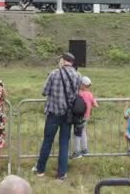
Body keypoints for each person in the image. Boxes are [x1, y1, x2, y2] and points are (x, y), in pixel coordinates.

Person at [32, 52, 82, 180]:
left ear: (63, 60)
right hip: (68, 115)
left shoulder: (54, 73)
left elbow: (45, 91)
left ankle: (40, 170)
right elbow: (77, 94)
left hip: (54, 113)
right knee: (64, 143)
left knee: (47, 141)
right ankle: (62, 173)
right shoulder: (77, 75)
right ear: (71, 62)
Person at [71, 75, 98, 159]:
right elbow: (96, 105)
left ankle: (77, 152)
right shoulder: (90, 94)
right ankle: (85, 150)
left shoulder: (80, 94)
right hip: (86, 116)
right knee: (83, 132)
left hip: (79, 116)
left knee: (77, 134)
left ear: (82, 85)